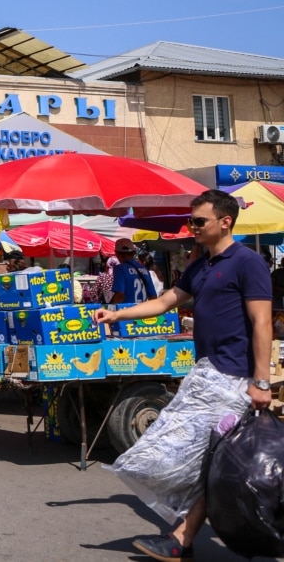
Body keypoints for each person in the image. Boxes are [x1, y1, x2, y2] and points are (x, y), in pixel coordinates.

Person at [96, 190, 273, 562]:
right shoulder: (200, 265)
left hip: (234, 377)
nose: (190, 226)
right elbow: (164, 302)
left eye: (198, 221)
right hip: (209, 373)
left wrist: (260, 381)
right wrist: (117, 316)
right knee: (199, 460)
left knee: (204, 460)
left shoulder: (247, 262)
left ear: (225, 221)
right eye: (191, 220)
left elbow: (261, 322)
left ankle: (181, 538)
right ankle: (182, 537)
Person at [110, 238, 158, 305]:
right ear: (134, 252)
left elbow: (120, 295)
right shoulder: (145, 270)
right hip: (143, 312)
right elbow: (153, 297)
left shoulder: (120, 269)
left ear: (116, 253)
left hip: (127, 312)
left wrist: (109, 308)